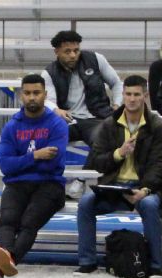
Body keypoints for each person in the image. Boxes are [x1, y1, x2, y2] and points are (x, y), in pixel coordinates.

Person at [75, 76, 162, 278]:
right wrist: (119, 153)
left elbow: (160, 165)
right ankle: (87, 262)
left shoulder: (159, 126)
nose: (132, 99)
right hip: (114, 186)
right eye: (128, 94)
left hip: (145, 188)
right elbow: (97, 161)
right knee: (85, 203)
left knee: (150, 205)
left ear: (145, 96)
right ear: (122, 95)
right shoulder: (109, 125)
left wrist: (145, 190)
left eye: (137, 94)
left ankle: (156, 265)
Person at [0, 74, 71, 278]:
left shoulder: (57, 124)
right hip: (17, 183)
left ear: (45, 95)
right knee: (8, 221)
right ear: (21, 95)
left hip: (50, 184)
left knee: (29, 222)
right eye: (28, 93)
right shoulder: (12, 126)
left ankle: (3, 262)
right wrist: (35, 156)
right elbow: (5, 165)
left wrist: (21, 161)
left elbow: (53, 164)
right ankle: (5, 262)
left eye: (36, 93)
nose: (32, 97)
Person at [38, 30, 123, 199]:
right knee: (46, 138)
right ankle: (47, 184)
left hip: (97, 117)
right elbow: (49, 100)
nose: (73, 55)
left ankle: (80, 180)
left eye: (76, 50)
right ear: (56, 52)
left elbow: (116, 83)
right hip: (69, 119)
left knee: (103, 138)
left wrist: (117, 105)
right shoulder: (49, 73)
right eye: (67, 51)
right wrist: (56, 109)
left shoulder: (96, 59)